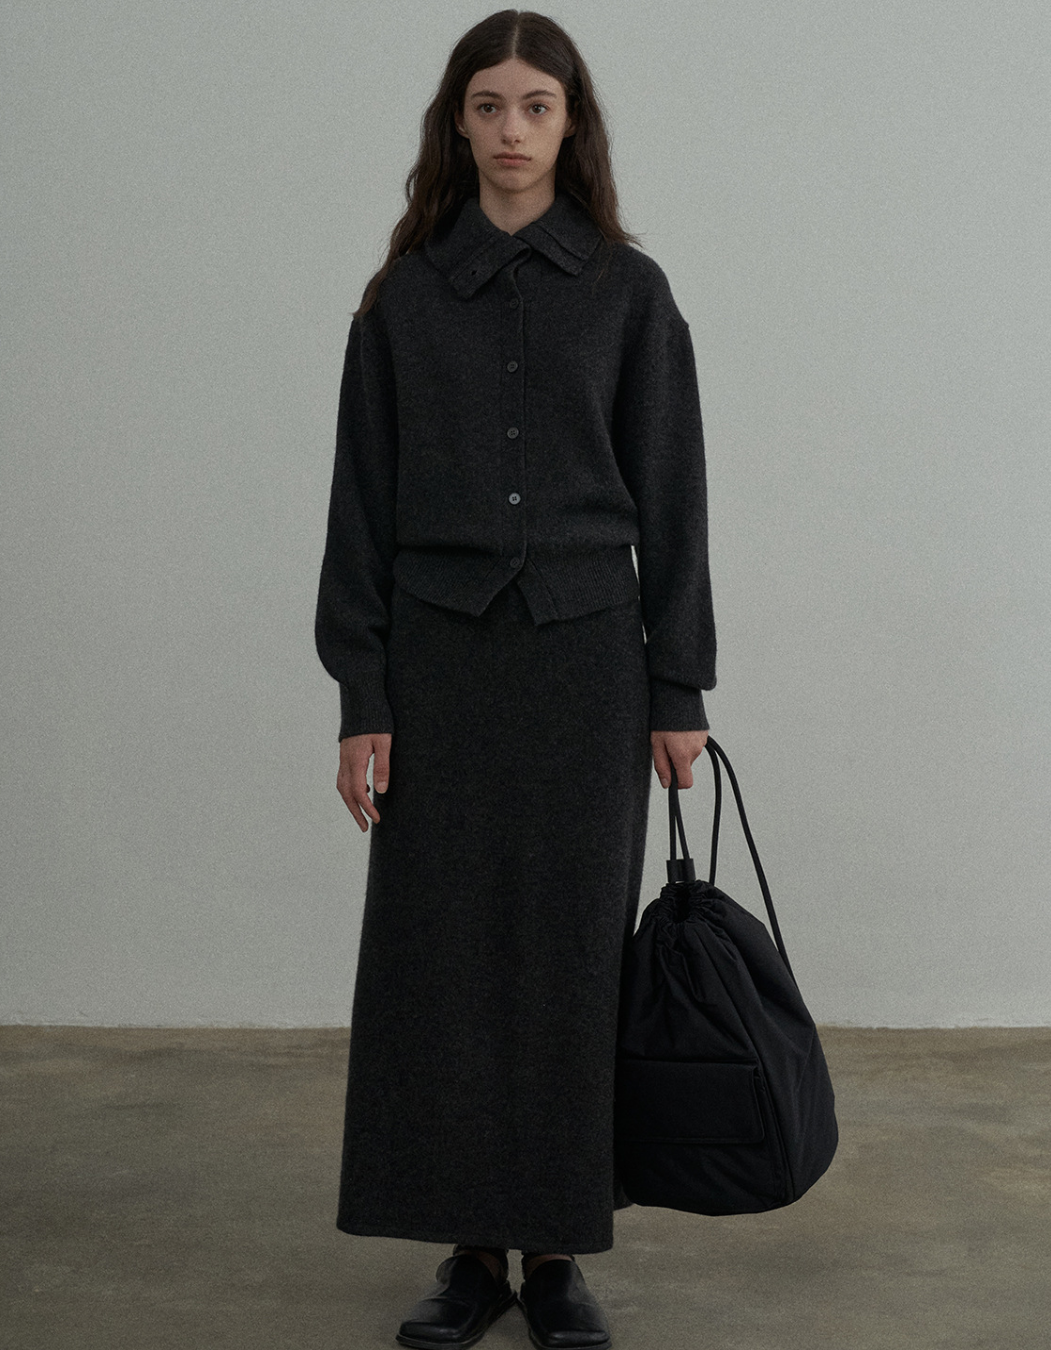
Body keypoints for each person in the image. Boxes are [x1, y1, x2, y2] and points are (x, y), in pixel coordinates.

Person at [315, 10, 716, 1349]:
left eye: (535, 106)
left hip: (590, 667)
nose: (509, 130)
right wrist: (362, 698)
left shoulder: (629, 294)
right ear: (457, 123)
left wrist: (678, 690)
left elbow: (673, 494)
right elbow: (359, 511)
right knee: (440, 959)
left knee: (568, 958)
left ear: (570, 123)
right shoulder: (404, 299)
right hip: (437, 668)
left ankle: (554, 1253)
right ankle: (468, 1252)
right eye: (486, 106)